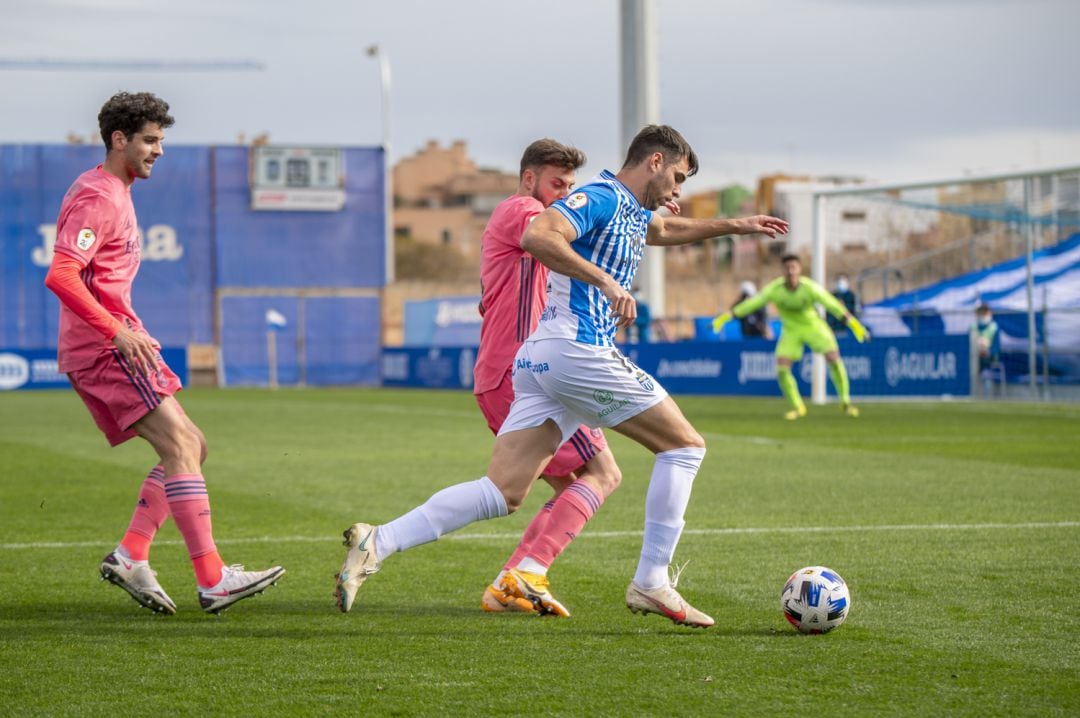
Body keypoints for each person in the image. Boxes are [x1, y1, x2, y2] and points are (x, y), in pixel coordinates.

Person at [335, 124, 788, 627]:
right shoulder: (600, 196)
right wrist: (605, 279)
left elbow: (661, 231)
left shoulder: (631, 211)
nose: (678, 190)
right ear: (654, 161)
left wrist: (736, 225)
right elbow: (538, 233)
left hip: (539, 361)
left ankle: (382, 540)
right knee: (684, 447)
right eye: (677, 176)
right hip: (578, 350)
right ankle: (651, 580)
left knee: (503, 492)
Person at [43, 91, 284, 615]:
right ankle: (213, 578)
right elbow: (61, 274)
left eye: (161, 140)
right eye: (150, 140)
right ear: (119, 139)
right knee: (180, 446)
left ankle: (131, 554)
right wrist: (116, 330)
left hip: (115, 342)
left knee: (192, 444)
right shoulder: (99, 196)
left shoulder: (116, 192)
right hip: (105, 348)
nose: (159, 150)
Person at [473, 139, 620, 615]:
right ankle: (386, 539)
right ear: (530, 178)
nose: (564, 196)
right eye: (558, 184)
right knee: (602, 473)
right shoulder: (521, 210)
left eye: (571, 187)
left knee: (573, 486)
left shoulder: (521, 218)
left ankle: (515, 581)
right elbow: (562, 232)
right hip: (521, 375)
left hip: (508, 373)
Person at [712, 255, 869, 420]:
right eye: (787, 268)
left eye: (794, 267)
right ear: (783, 270)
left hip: (814, 327)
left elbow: (832, 305)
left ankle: (845, 402)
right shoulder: (775, 289)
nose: (791, 271)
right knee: (782, 368)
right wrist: (727, 316)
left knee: (834, 359)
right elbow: (753, 303)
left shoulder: (810, 287)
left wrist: (855, 325)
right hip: (791, 331)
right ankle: (798, 407)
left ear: (799, 269)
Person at [972, 303, 1001, 395]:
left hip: (989, 357)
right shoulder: (973, 327)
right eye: (981, 312)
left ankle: (986, 393)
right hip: (974, 356)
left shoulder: (994, 327)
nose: (983, 315)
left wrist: (988, 352)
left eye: (985, 312)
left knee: (986, 367)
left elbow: (996, 346)